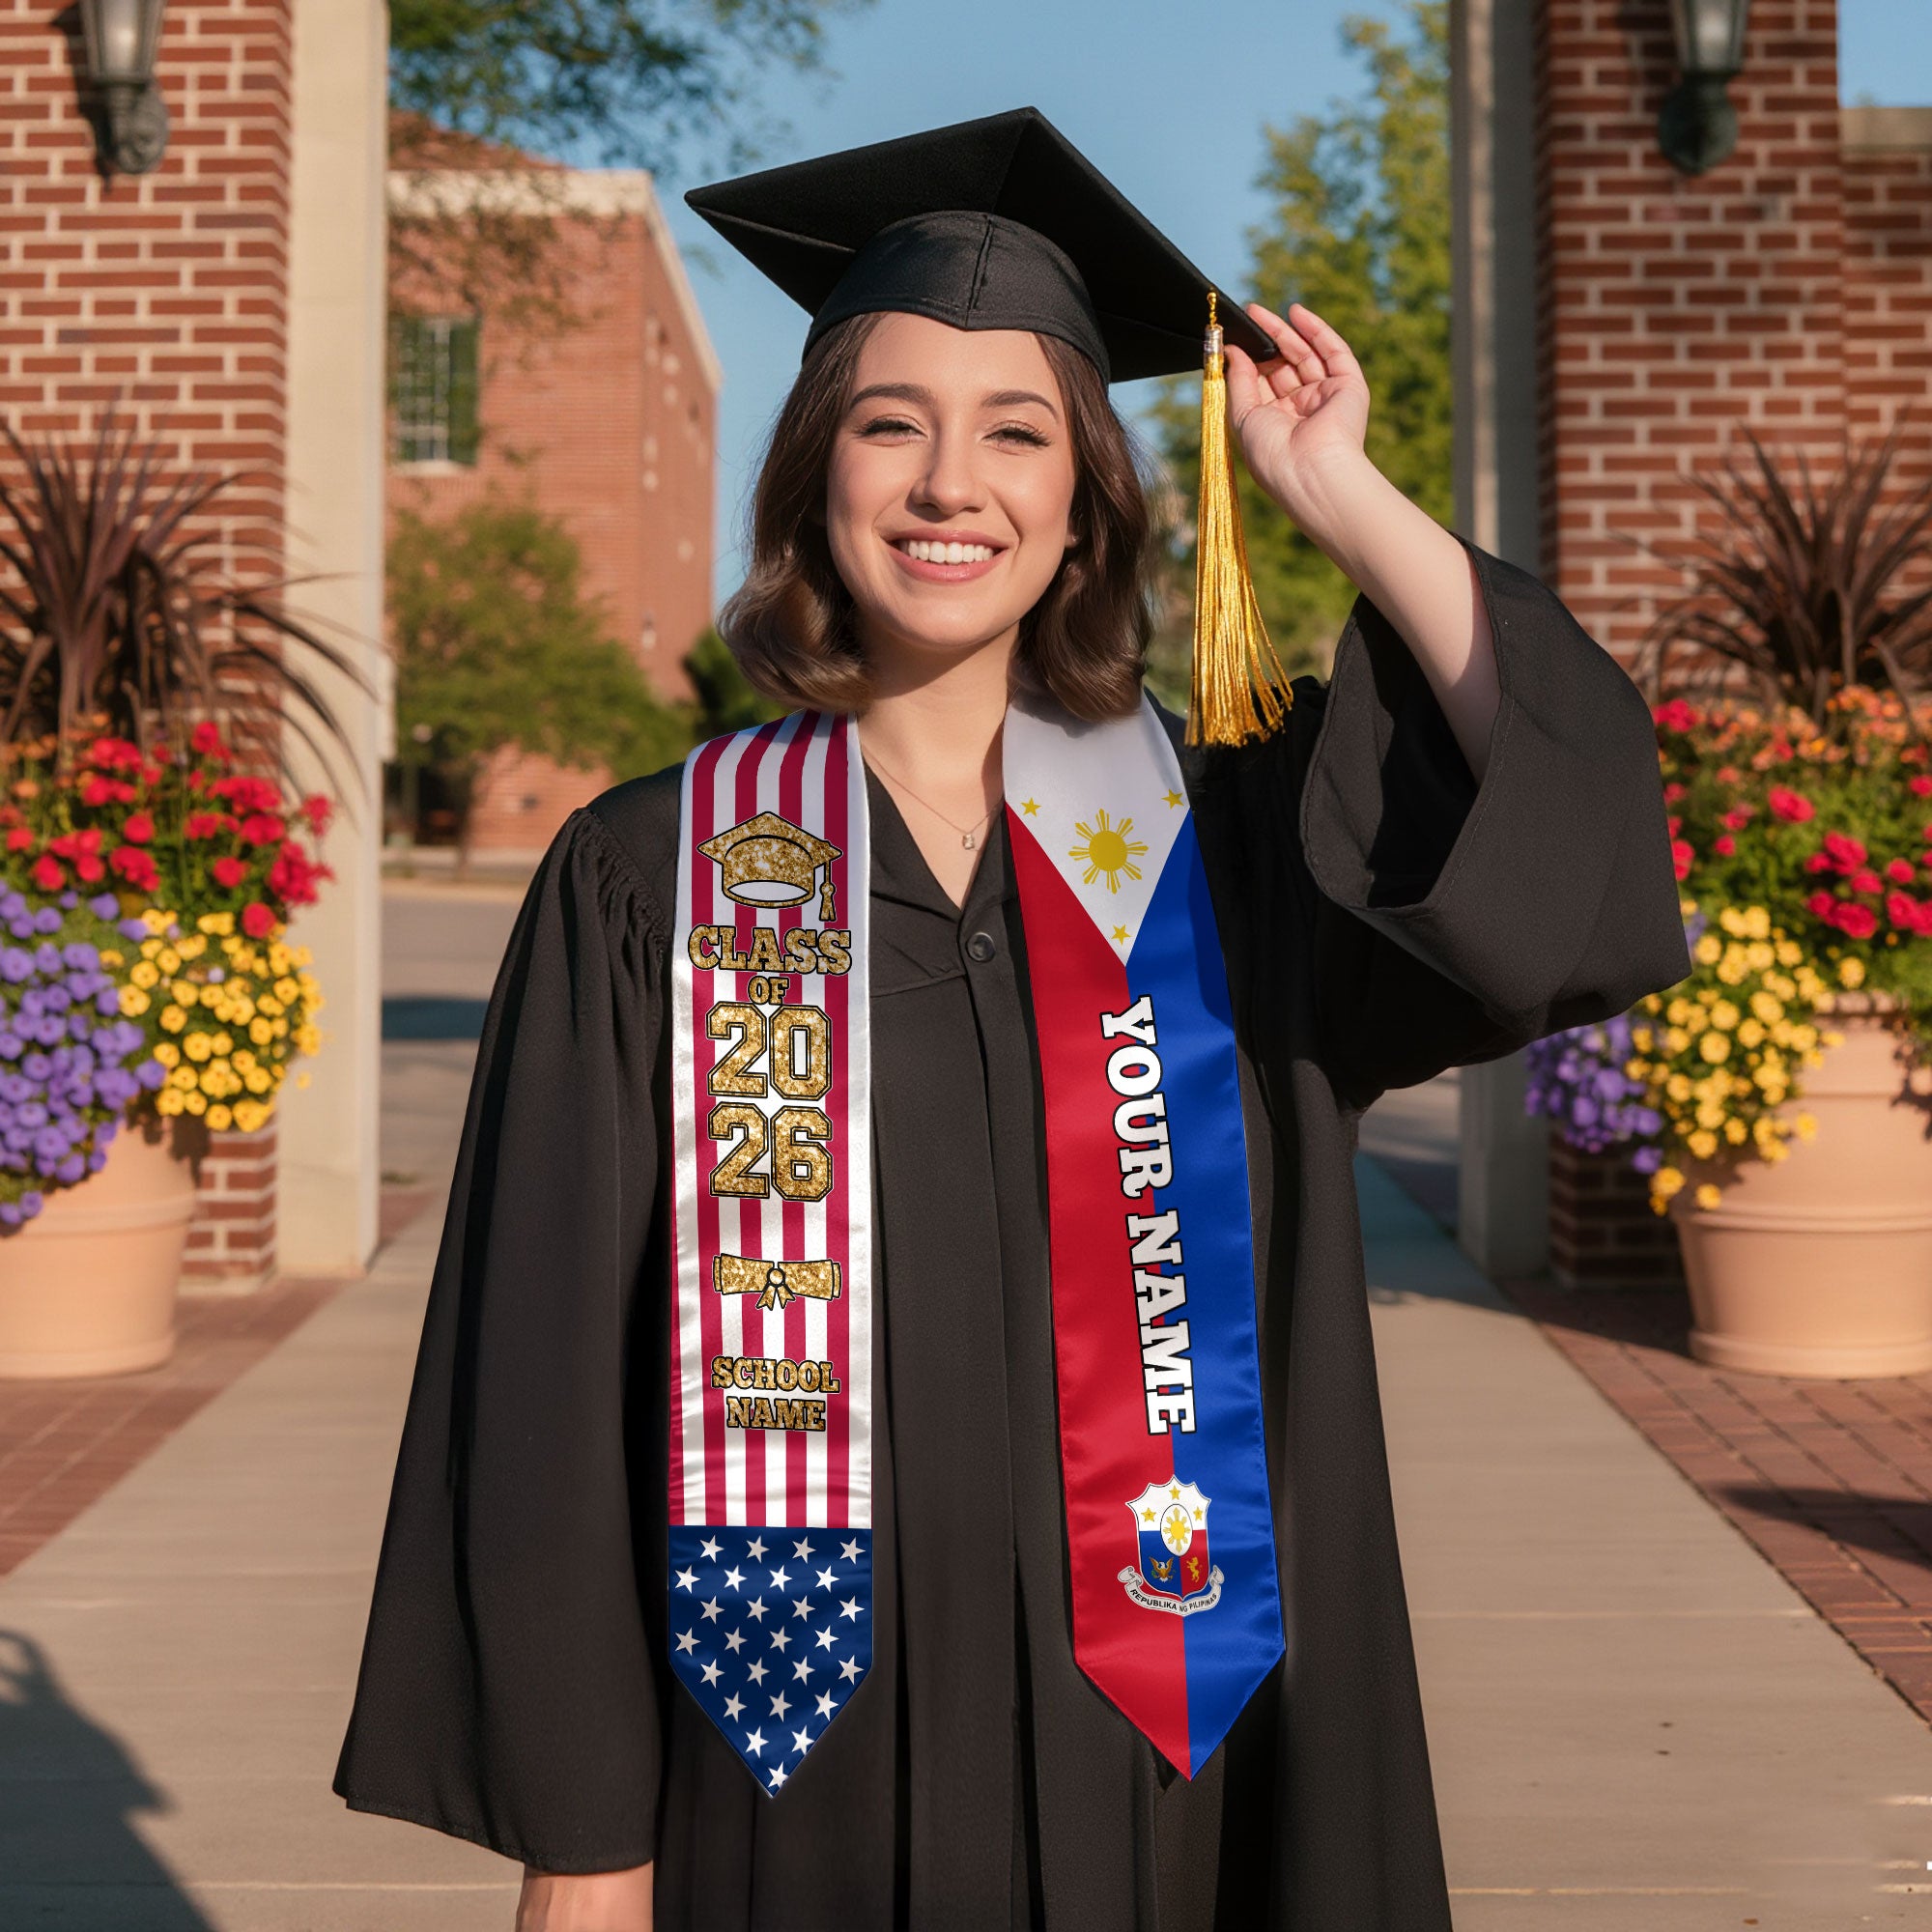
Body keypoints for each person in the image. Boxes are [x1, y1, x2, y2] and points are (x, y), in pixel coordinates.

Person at [333, 109, 1690, 1931]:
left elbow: (1560, 833)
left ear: (1083, 504)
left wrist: (1336, 492)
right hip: (781, 1775)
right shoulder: (650, 878)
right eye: (892, 424)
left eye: (1016, 433)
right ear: (818, 472)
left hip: (1182, 1763)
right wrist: (585, 1842)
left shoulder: (1229, 860)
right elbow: (547, 1384)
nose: (948, 483)